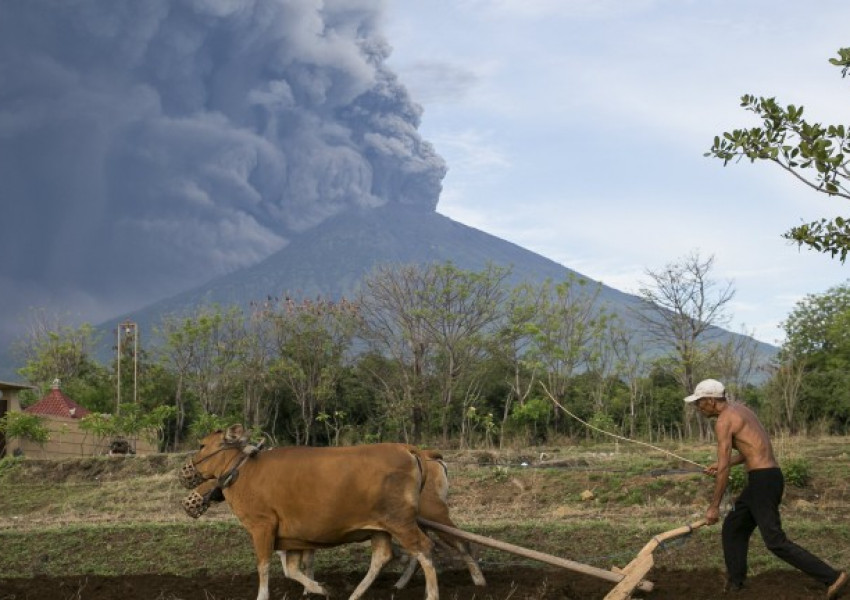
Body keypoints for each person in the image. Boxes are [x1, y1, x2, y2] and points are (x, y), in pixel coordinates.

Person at [685, 378, 847, 598]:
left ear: (711, 400)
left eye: (699, 402)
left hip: (762, 481)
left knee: (775, 541)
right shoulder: (741, 410)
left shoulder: (723, 421)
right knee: (734, 527)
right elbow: (754, 450)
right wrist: (725, 463)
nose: (698, 407)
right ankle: (736, 584)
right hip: (767, 478)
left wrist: (714, 506)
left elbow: (723, 471)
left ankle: (833, 577)